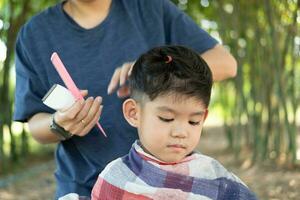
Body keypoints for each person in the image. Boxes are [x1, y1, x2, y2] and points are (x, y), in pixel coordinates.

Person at [13, 0, 237, 199]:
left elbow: (226, 64)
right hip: (84, 188)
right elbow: (36, 124)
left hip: (163, 184)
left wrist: (153, 72)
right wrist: (60, 124)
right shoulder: (34, 35)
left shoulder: (150, 8)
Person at [91, 45, 256, 200]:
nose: (181, 132)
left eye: (193, 121)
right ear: (134, 113)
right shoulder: (115, 177)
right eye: (167, 118)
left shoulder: (215, 177)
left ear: (203, 118)